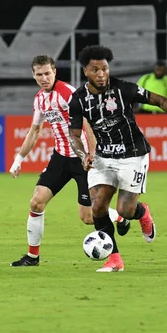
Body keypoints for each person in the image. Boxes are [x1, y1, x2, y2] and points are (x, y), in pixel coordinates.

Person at [68, 45, 167, 272]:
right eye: (95, 70)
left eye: (105, 69)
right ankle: (115, 259)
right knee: (98, 207)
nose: (101, 74)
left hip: (133, 155)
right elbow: (73, 134)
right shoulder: (78, 99)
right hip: (103, 157)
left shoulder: (123, 89)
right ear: (85, 72)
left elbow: (160, 100)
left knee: (125, 211)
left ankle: (142, 213)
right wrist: (83, 155)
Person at [9, 55, 130, 267]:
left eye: (47, 73)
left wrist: (90, 154)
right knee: (36, 202)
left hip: (83, 159)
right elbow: (35, 131)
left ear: (55, 71)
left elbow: (88, 124)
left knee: (88, 217)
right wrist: (19, 158)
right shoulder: (40, 99)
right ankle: (32, 257)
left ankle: (120, 219)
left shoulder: (67, 93)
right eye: (39, 74)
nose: (44, 78)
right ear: (34, 76)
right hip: (61, 157)